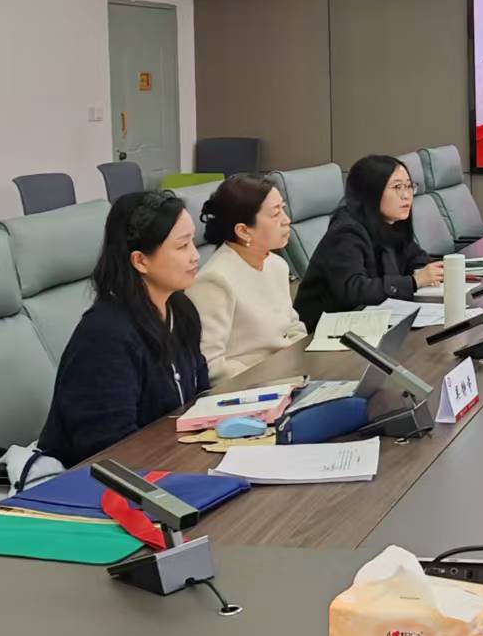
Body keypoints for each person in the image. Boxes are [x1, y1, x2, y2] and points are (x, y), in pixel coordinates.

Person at [37, 190, 208, 466]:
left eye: (193, 242)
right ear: (140, 260)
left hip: (172, 461)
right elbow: (108, 448)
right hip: (106, 479)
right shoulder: (105, 336)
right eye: (182, 246)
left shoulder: (181, 310)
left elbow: (201, 399)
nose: (195, 256)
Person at [295, 155, 441, 329]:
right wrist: (414, 282)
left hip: (369, 321)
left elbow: (415, 258)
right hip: (326, 331)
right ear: (371, 192)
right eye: (397, 187)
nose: (406, 195)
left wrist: (436, 270)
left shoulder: (391, 222)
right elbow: (354, 290)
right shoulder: (346, 232)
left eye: (409, 186)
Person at [190, 175, 308, 380]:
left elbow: (293, 328)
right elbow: (212, 366)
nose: (286, 220)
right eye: (275, 214)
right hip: (249, 388)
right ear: (243, 231)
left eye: (283, 208)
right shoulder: (214, 281)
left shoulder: (276, 265)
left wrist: (305, 361)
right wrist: (272, 378)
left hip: (290, 376)